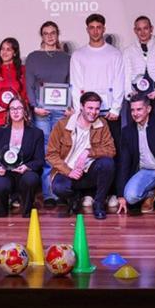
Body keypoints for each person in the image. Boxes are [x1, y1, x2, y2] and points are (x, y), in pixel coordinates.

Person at [68, 14, 124, 211]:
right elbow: (75, 84)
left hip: (109, 113)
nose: (95, 30)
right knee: (84, 154)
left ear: (104, 28)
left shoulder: (114, 54)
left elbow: (119, 82)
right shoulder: (79, 55)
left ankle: (109, 194)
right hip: (87, 114)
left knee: (109, 155)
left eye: (99, 27)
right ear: (87, 29)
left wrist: (116, 108)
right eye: (91, 27)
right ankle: (88, 194)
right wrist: (79, 112)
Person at [46, 91, 117, 220]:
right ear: (81, 107)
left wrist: (88, 152)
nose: (93, 112)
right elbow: (51, 154)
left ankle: (99, 203)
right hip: (68, 172)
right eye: (90, 108)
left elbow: (111, 150)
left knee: (108, 163)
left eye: (97, 109)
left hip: (89, 171)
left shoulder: (102, 124)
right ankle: (74, 198)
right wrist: (69, 171)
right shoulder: (62, 125)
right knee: (59, 187)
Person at [25, 21, 71, 209]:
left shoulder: (67, 57)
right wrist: (34, 106)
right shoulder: (33, 57)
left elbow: (71, 83)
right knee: (45, 150)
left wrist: (70, 106)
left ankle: (60, 190)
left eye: (53, 33)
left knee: (61, 150)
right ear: (41, 36)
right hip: (42, 110)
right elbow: (28, 84)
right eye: (46, 33)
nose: (50, 36)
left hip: (62, 110)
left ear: (57, 34)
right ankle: (48, 193)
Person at [0, 96, 44, 218]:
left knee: (31, 179)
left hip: (25, 172)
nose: (15, 111)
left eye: (19, 108)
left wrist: (26, 167)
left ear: (25, 111)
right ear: (8, 112)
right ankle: (2, 211)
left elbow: (40, 160)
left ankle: (27, 211)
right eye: (12, 109)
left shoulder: (36, 133)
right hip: (5, 173)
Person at [122, 16, 155, 123]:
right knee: (134, 134)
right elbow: (125, 76)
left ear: (151, 29)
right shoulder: (128, 51)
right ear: (135, 31)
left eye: (145, 28)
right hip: (136, 98)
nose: (142, 32)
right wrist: (130, 93)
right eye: (139, 29)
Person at [0, 37, 28, 131]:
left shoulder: (23, 70)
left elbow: (25, 94)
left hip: (18, 119)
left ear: (15, 53)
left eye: (8, 49)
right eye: (2, 49)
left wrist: (23, 109)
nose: (4, 52)